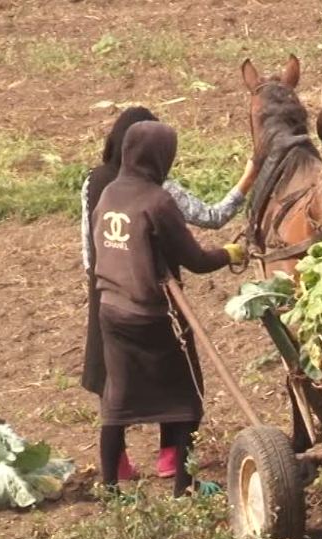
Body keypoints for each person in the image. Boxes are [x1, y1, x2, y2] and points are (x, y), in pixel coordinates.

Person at [80, 107, 258, 481]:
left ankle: (111, 486)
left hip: (110, 309)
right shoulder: (158, 199)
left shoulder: (106, 191)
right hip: (152, 312)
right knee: (186, 397)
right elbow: (194, 260)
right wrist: (229, 253)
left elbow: (91, 248)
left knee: (116, 402)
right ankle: (183, 483)